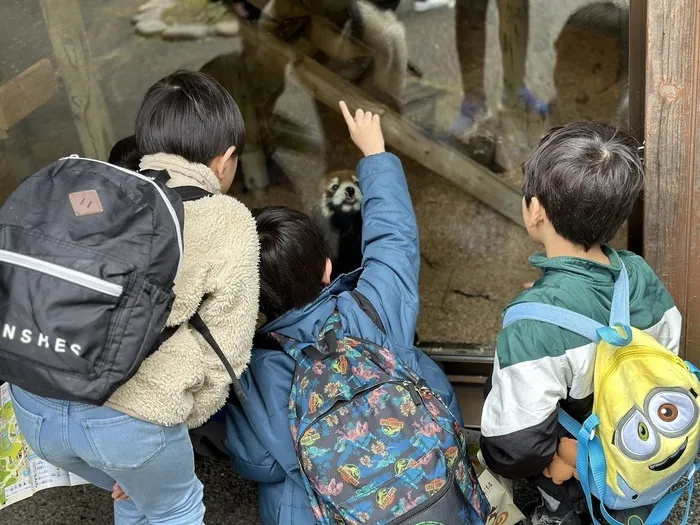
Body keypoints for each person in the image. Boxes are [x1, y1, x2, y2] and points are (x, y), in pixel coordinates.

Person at [9, 70, 260, 525]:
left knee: (137, 497)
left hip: (34, 409)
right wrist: (173, 420)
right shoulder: (228, 221)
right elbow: (226, 353)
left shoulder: (91, 192)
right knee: (173, 508)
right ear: (224, 161)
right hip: (130, 424)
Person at [225, 101, 463, 525]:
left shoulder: (257, 369)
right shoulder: (374, 308)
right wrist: (375, 155)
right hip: (427, 492)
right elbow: (394, 241)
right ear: (328, 267)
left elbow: (257, 462)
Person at [479, 122, 681, 525]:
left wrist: (564, 457)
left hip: (577, 481)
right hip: (639, 445)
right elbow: (665, 361)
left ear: (535, 209)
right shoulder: (638, 273)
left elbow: (515, 447)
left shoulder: (531, 326)